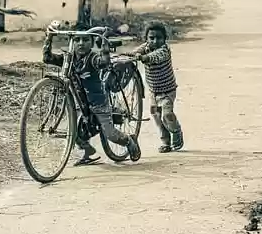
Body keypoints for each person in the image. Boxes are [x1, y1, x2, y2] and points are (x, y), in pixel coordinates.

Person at [42, 31, 141, 165]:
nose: (81, 43)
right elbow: (47, 58)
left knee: (111, 134)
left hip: (98, 103)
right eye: (77, 40)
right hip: (81, 103)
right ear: (71, 42)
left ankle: (130, 141)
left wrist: (104, 46)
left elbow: (104, 62)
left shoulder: (92, 58)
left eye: (86, 40)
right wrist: (49, 37)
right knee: (74, 130)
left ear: (92, 42)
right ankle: (88, 152)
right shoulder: (68, 59)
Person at [124, 21, 184, 153]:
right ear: (146, 38)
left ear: (165, 39)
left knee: (167, 115)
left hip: (167, 90)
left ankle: (176, 132)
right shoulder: (146, 47)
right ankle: (165, 141)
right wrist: (129, 55)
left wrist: (143, 57)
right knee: (156, 116)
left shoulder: (164, 50)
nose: (155, 41)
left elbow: (154, 57)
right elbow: (136, 52)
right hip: (153, 92)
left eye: (159, 38)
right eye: (151, 38)